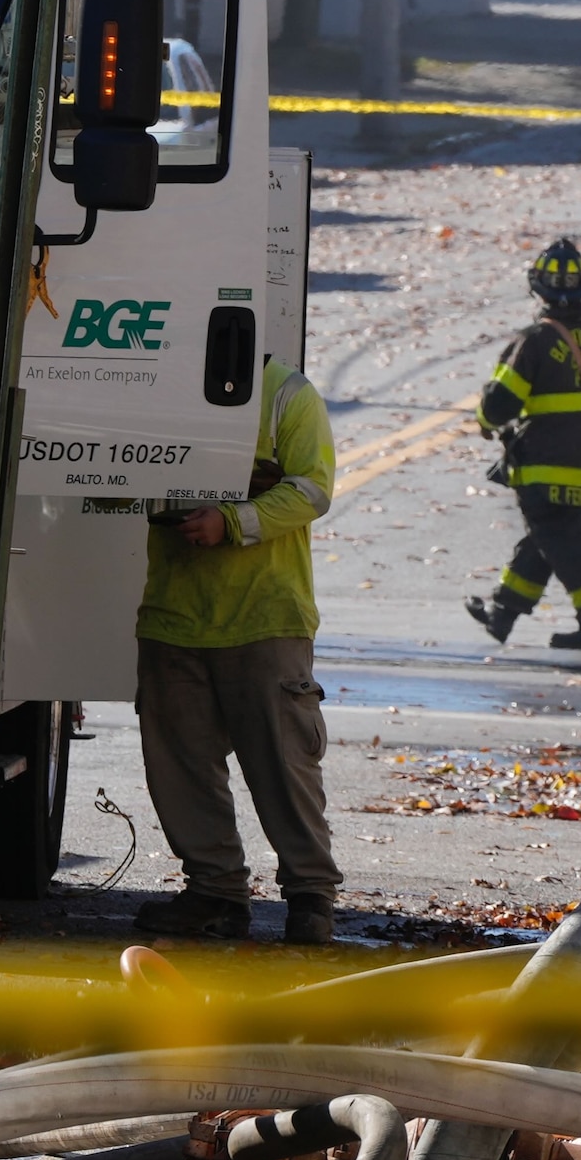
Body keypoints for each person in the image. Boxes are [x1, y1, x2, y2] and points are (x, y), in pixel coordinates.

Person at [129, 358, 343, 947]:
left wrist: (232, 520)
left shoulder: (286, 395)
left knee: (282, 766)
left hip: (266, 616)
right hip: (175, 615)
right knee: (181, 768)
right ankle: (215, 893)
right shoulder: (151, 380)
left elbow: (311, 488)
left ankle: (310, 897)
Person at [469, 241, 581, 649]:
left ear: (537, 290)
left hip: (540, 465)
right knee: (548, 537)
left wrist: (484, 420)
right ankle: (502, 614)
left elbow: (499, 405)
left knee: (559, 538)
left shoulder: (534, 341)